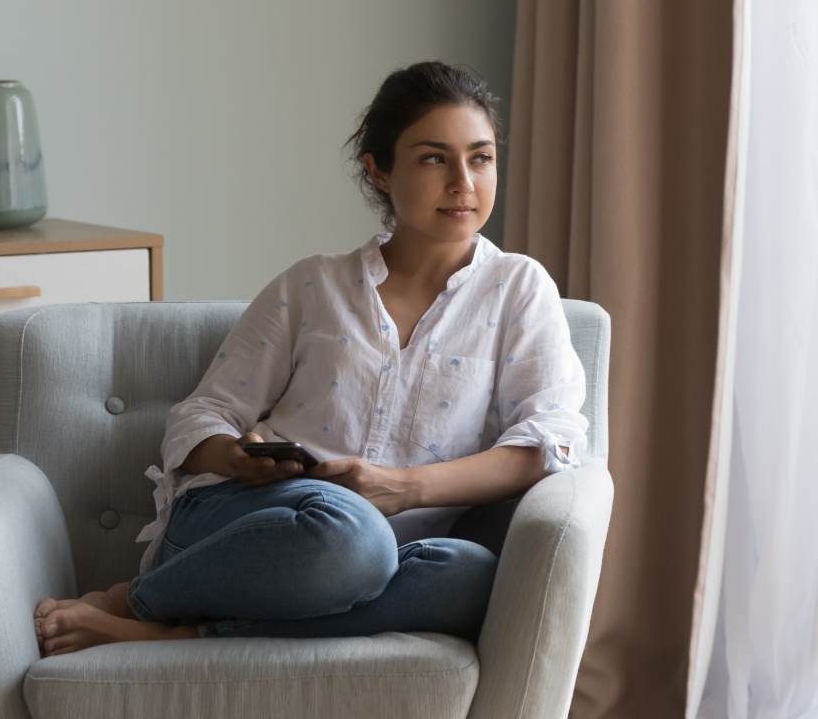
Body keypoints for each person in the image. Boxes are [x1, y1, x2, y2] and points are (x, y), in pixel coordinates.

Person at [34, 61, 589, 656]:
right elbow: (202, 416)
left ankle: (162, 627)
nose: (464, 182)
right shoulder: (312, 285)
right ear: (378, 170)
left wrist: (406, 489)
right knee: (352, 536)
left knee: (470, 574)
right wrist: (235, 457)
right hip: (254, 521)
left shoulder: (519, 289)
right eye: (434, 158)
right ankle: (140, 599)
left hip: (401, 549)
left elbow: (548, 443)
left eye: (481, 158)